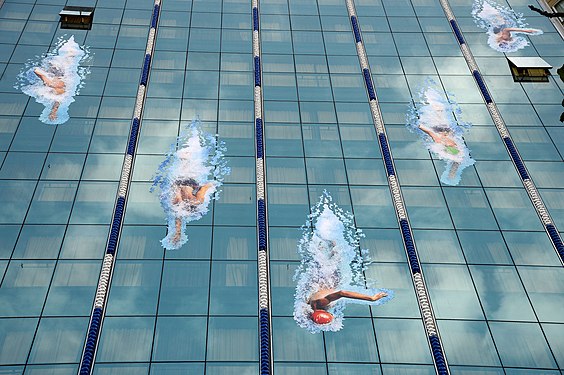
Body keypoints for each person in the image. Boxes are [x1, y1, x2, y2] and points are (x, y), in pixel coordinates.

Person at [170, 178, 214, 244]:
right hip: (186, 184)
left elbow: (178, 218)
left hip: (185, 184)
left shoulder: (196, 201)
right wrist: (178, 233)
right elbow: (204, 188)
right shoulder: (196, 201)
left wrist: (178, 233)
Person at [308, 289, 388, 325]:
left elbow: (342, 293)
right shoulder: (311, 310)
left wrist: (371, 298)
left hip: (329, 279)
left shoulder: (321, 303)